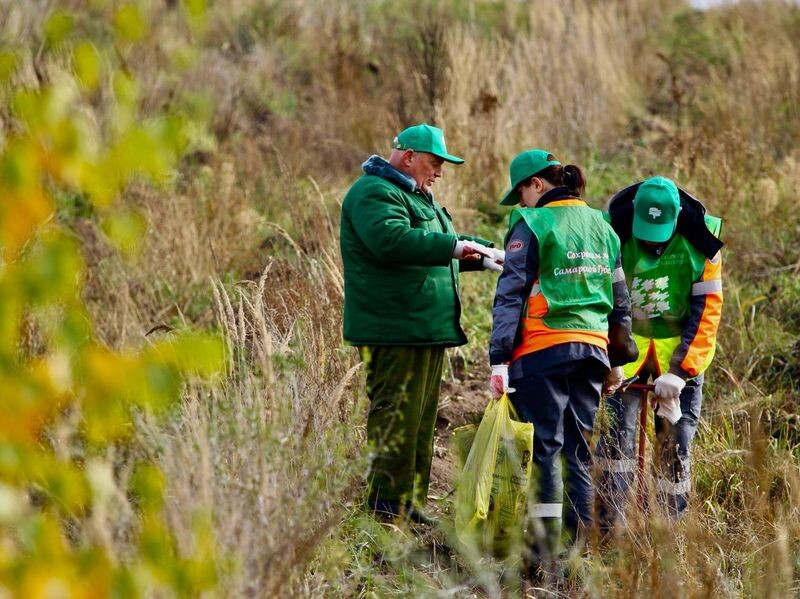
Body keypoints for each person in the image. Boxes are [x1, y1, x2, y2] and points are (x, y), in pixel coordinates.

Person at [340, 123, 503, 523]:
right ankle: (383, 507)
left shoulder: (418, 197)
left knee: (421, 418)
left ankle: (410, 502)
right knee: (396, 413)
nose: (440, 171)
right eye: (434, 162)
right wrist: (455, 246)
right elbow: (392, 241)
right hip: (395, 328)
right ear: (409, 156)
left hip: (425, 330)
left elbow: (435, 250)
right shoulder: (373, 193)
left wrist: (482, 255)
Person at [488, 149, 638, 576]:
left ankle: (542, 560)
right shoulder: (602, 226)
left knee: (545, 451)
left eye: (521, 192)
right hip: (592, 351)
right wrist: (615, 360)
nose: (520, 203)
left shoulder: (531, 223)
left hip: (543, 350)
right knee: (578, 452)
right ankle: (577, 558)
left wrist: (499, 358)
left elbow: (511, 292)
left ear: (537, 184)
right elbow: (620, 302)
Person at [595, 176, 723, 530]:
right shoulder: (610, 232)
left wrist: (681, 373)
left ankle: (669, 534)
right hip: (626, 347)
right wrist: (611, 359)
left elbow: (706, 312)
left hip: (677, 352)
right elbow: (604, 302)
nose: (651, 242)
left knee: (675, 440)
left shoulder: (703, 239)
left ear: (677, 218)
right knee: (616, 440)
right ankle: (608, 531)